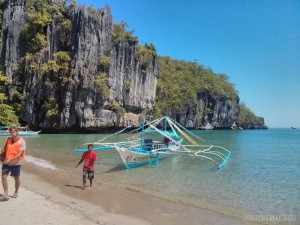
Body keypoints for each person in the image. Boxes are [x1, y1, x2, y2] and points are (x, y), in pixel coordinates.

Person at [1, 126, 26, 201]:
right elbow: (5, 150)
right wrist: (1, 152)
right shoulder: (9, 139)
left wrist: (10, 159)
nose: (12, 134)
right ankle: (6, 194)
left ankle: (16, 191)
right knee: (3, 176)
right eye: (11, 132)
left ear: (17, 132)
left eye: (14, 132)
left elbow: (19, 154)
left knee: (16, 178)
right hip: (7, 162)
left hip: (16, 163)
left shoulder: (22, 142)